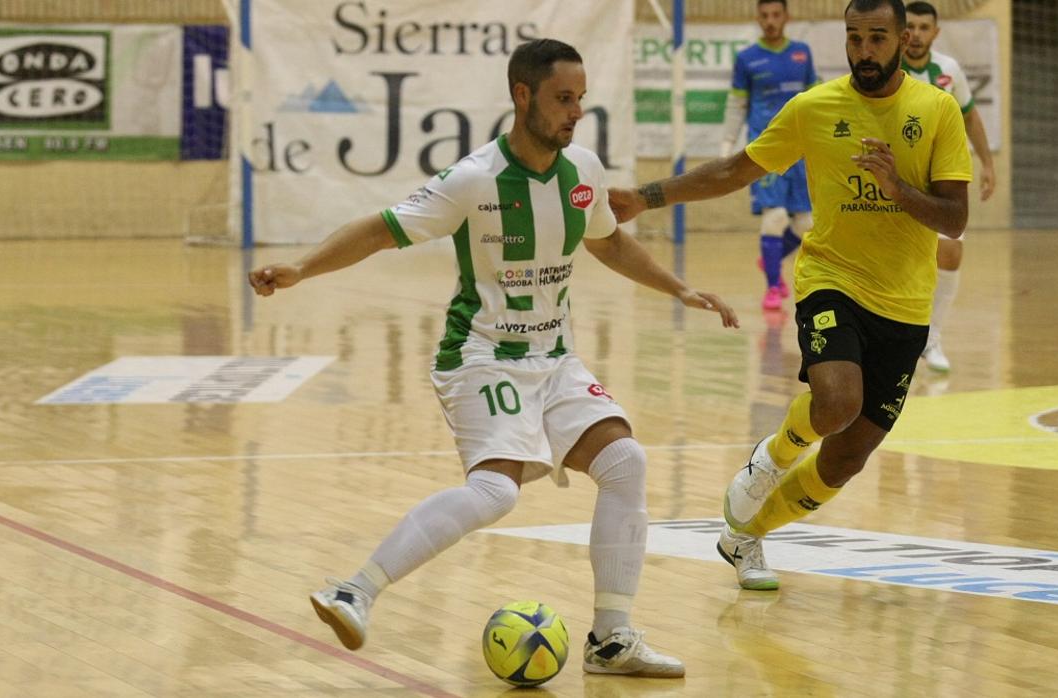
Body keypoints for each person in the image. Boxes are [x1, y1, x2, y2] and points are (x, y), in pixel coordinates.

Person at [249, 38, 738, 678]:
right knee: (494, 492)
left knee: (624, 461)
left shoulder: (581, 171)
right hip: (481, 355)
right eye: (564, 99)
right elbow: (379, 228)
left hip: (555, 358)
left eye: (582, 100)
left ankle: (611, 641)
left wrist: (679, 288)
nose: (575, 112)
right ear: (522, 95)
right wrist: (302, 267)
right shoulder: (472, 180)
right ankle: (354, 591)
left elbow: (609, 244)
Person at [610, 0, 970, 591]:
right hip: (832, 277)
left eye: (878, 38)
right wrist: (649, 196)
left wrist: (897, 187)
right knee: (834, 403)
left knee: (846, 459)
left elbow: (954, 220)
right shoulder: (815, 107)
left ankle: (745, 538)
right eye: (854, 37)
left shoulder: (937, 110)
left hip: (906, 304)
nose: (864, 50)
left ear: (904, 39)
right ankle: (771, 458)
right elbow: (734, 170)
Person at [903, 0, 997, 372]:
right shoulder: (889, 70)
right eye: (911, 26)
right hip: (901, 179)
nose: (917, 34)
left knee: (951, 253)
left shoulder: (948, 69)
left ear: (935, 33)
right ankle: (894, 339)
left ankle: (932, 338)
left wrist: (988, 163)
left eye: (925, 27)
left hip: (941, 179)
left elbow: (970, 118)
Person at [720, 0, 819, 311]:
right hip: (764, 151)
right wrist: (727, 145)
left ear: (787, 17)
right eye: (764, 16)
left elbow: (817, 100)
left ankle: (771, 259)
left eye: (776, 15)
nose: (770, 21)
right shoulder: (747, 58)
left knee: (806, 224)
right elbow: (737, 104)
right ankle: (774, 286)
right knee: (774, 217)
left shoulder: (802, 53)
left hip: (802, 151)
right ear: (758, 18)